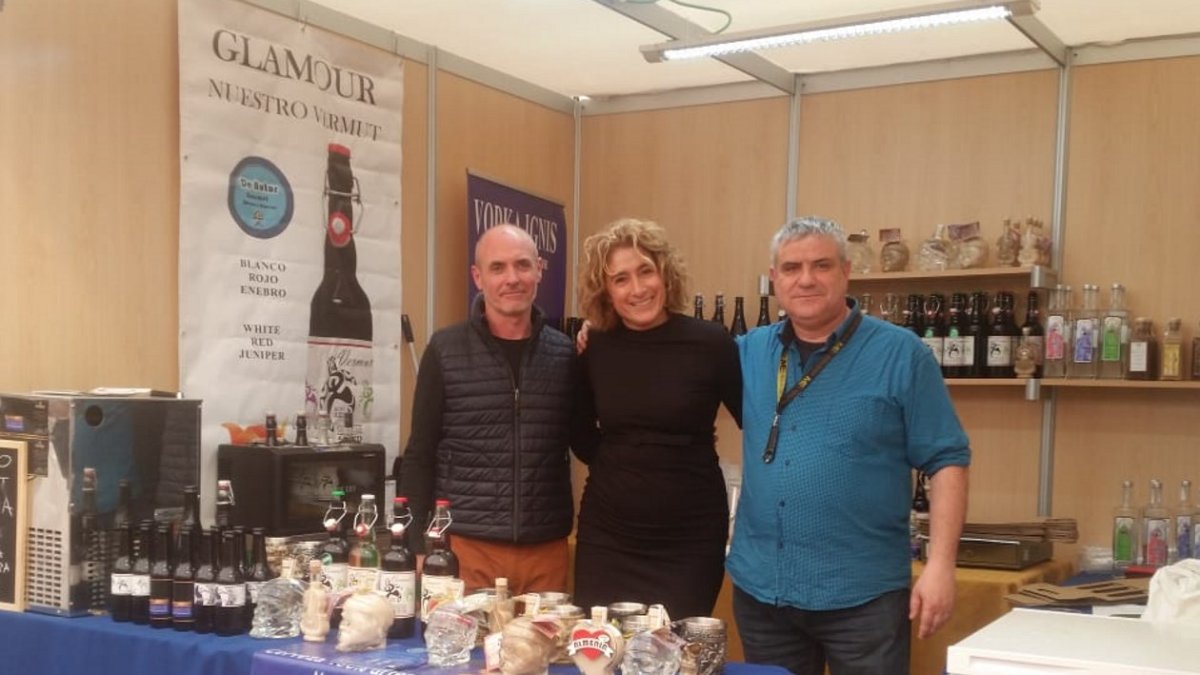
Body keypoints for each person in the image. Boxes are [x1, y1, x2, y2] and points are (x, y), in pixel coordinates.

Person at [728, 216, 970, 675]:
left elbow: (947, 460)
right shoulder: (749, 350)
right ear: (774, 277)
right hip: (764, 591)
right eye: (791, 267)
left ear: (846, 271)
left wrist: (940, 566)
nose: (806, 279)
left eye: (821, 265)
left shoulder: (902, 354)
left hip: (862, 597)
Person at [398, 224, 582, 595]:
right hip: (465, 548)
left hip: (545, 551)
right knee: (465, 653)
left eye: (522, 265)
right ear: (478, 276)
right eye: (498, 268)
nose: (512, 278)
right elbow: (419, 453)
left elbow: (586, 443)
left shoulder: (565, 354)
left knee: (542, 652)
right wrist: (415, 545)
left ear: (539, 270)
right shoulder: (445, 350)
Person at [572, 218, 742, 619]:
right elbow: (579, 434)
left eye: (645, 271)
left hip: (690, 540)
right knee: (601, 650)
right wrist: (627, 467)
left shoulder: (711, 343)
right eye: (620, 279)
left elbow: (755, 422)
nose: (637, 289)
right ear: (606, 291)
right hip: (608, 536)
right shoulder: (593, 346)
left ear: (665, 273)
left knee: (674, 652)